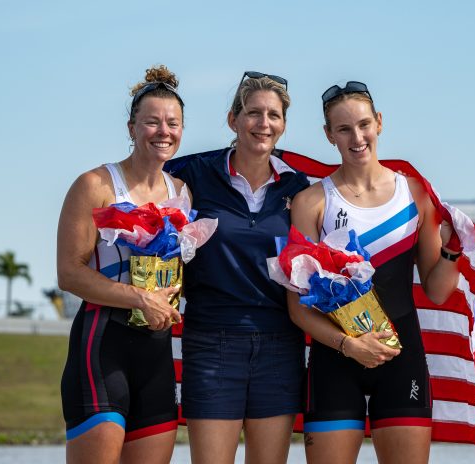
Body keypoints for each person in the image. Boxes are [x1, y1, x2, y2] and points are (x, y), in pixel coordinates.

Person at [287, 81, 461, 464]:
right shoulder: (311, 202)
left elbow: (436, 291)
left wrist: (452, 250)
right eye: (344, 128)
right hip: (335, 360)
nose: (357, 137)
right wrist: (350, 346)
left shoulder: (414, 193)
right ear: (328, 134)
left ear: (379, 123)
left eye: (364, 124)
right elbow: (298, 309)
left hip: (404, 359)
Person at [164, 72, 310, 464]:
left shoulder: (298, 187)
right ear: (233, 120)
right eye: (253, 113)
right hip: (211, 342)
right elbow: (141, 186)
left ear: (283, 125)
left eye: (274, 116)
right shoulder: (191, 174)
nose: (264, 124)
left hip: (280, 344)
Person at [57, 65, 186, 464]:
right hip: (102, 345)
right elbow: (70, 272)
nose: (163, 131)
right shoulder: (95, 185)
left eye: (173, 123)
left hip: (157, 351)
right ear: (131, 128)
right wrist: (138, 298)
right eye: (151, 122)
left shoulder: (180, 191)